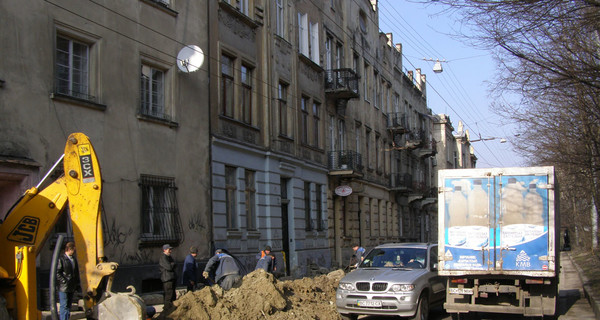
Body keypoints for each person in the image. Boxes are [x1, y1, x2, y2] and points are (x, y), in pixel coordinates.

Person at [56, 241, 80, 320]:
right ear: (69, 249)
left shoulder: (73, 259)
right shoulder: (62, 259)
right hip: (64, 287)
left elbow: (75, 272)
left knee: (68, 306)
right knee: (64, 305)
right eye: (73, 250)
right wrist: (64, 281)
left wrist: (76, 284)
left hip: (71, 286)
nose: (74, 252)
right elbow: (58, 273)